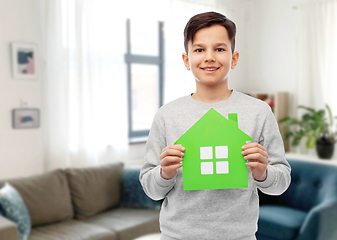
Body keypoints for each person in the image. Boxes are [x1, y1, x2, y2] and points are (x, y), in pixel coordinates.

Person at [139, 11, 291, 240]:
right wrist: (164, 173)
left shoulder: (259, 112)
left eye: (219, 49)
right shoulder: (166, 115)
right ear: (186, 60)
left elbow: (280, 183)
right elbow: (151, 189)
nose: (209, 57)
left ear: (234, 57)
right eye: (199, 49)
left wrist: (262, 172)